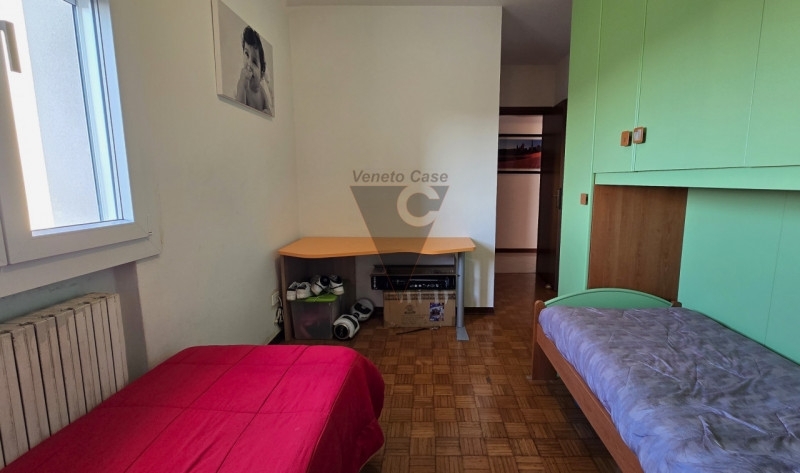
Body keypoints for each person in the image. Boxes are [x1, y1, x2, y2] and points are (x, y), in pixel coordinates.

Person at [235, 26, 274, 115]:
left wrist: (266, 111)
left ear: (262, 74)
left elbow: (268, 110)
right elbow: (239, 109)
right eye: (246, 54)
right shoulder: (244, 87)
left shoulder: (261, 91)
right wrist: (242, 84)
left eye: (254, 62)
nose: (249, 64)